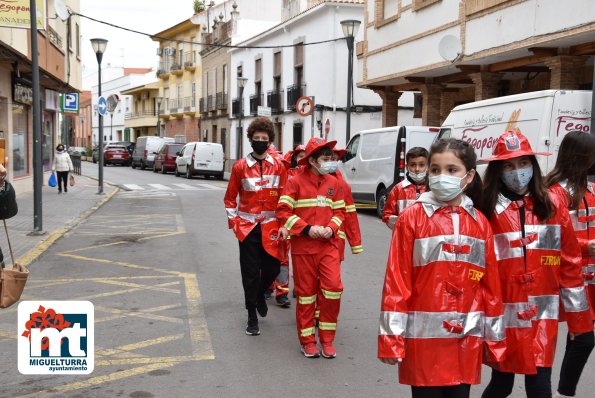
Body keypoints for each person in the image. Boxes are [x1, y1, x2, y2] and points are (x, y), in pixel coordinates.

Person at [378, 139, 505, 398]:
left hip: (465, 340)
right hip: (423, 342)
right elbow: (397, 280)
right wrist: (392, 337)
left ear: (469, 176)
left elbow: (490, 286)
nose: (441, 176)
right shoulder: (411, 218)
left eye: (451, 170)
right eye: (435, 170)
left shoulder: (480, 223)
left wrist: (494, 340)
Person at [479, 130, 593, 398]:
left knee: (540, 386)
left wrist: (580, 322)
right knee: (501, 384)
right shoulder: (485, 207)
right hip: (503, 314)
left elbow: (569, 263)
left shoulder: (552, 203)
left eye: (523, 163)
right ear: (498, 170)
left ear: (533, 165)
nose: (517, 172)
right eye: (508, 165)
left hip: (542, 315)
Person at [276, 137, 346, 359]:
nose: (330, 162)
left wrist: (331, 228)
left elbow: (340, 212)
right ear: (313, 160)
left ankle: (327, 339)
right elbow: (283, 212)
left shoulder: (334, 183)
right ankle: (307, 341)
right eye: (326, 158)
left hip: (328, 246)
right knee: (306, 296)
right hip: (304, 248)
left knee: (333, 289)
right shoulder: (295, 181)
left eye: (331, 158)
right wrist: (306, 229)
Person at [223, 117, 287, 336]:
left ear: (270, 141)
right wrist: (234, 223)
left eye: (265, 138)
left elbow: (285, 198)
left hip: (271, 228)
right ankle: (252, 315)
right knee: (249, 273)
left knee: (273, 269)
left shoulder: (279, 166)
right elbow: (230, 198)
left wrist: (284, 224)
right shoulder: (240, 167)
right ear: (250, 140)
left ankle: (260, 295)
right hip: (247, 228)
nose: (261, 141)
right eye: (257, 138)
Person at [545, 131, 595, 398]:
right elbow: (553, 236)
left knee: (580, 337)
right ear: (582, 158)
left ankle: (563, 391)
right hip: (567, 278)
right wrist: (586, 247)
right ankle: (561, 391)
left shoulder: (590, 189)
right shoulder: (555, 194)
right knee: (583, 337)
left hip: (589, 278)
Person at [266, 144, 307, 305]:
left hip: (299, 223)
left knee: (300, 259)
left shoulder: (310, 176)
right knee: (275, 257)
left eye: (305, 155)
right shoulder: (287, 173)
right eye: (300, 155)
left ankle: (296, 288)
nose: (302, 159)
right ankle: (274, 288)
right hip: (278, 221)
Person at [382, 147, 428, 229]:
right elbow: (387, 215)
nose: (417, 169)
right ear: (407, 167)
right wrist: (403, 224)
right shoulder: (398, 189)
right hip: (403, 238)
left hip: (427, 239)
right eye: (413, 165)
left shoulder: (432, 189)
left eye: (421, 165)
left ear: (428, 166)